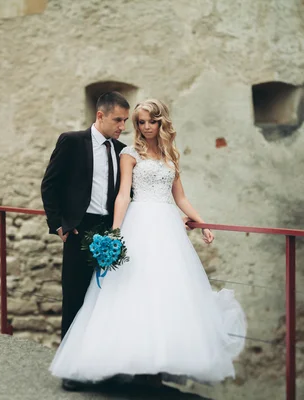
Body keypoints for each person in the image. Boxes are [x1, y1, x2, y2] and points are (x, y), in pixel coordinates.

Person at [49, 99, 247, 386]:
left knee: (166, 293)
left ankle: (155, 367)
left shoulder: (170, 155)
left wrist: (201, 222)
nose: (145, 127)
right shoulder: (129, 153)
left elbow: (180, 197)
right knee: (129, 291)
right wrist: (116, 232)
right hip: (138, 222)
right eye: (139, 122)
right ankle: (111, 365)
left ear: (161, 122)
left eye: (150, 121)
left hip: (167, 227)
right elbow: (123, 195)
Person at [41, 91, 129, 391]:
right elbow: (50, 184)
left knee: (106, 300)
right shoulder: (72, 141)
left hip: (110, 229)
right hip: (80, 229)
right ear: (100, 115)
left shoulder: (121, 149)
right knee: (75, 299)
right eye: (118, 120)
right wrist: (58, 225)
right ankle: (71, 369)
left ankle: (102, 367)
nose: (122, 126)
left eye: (125, 121)